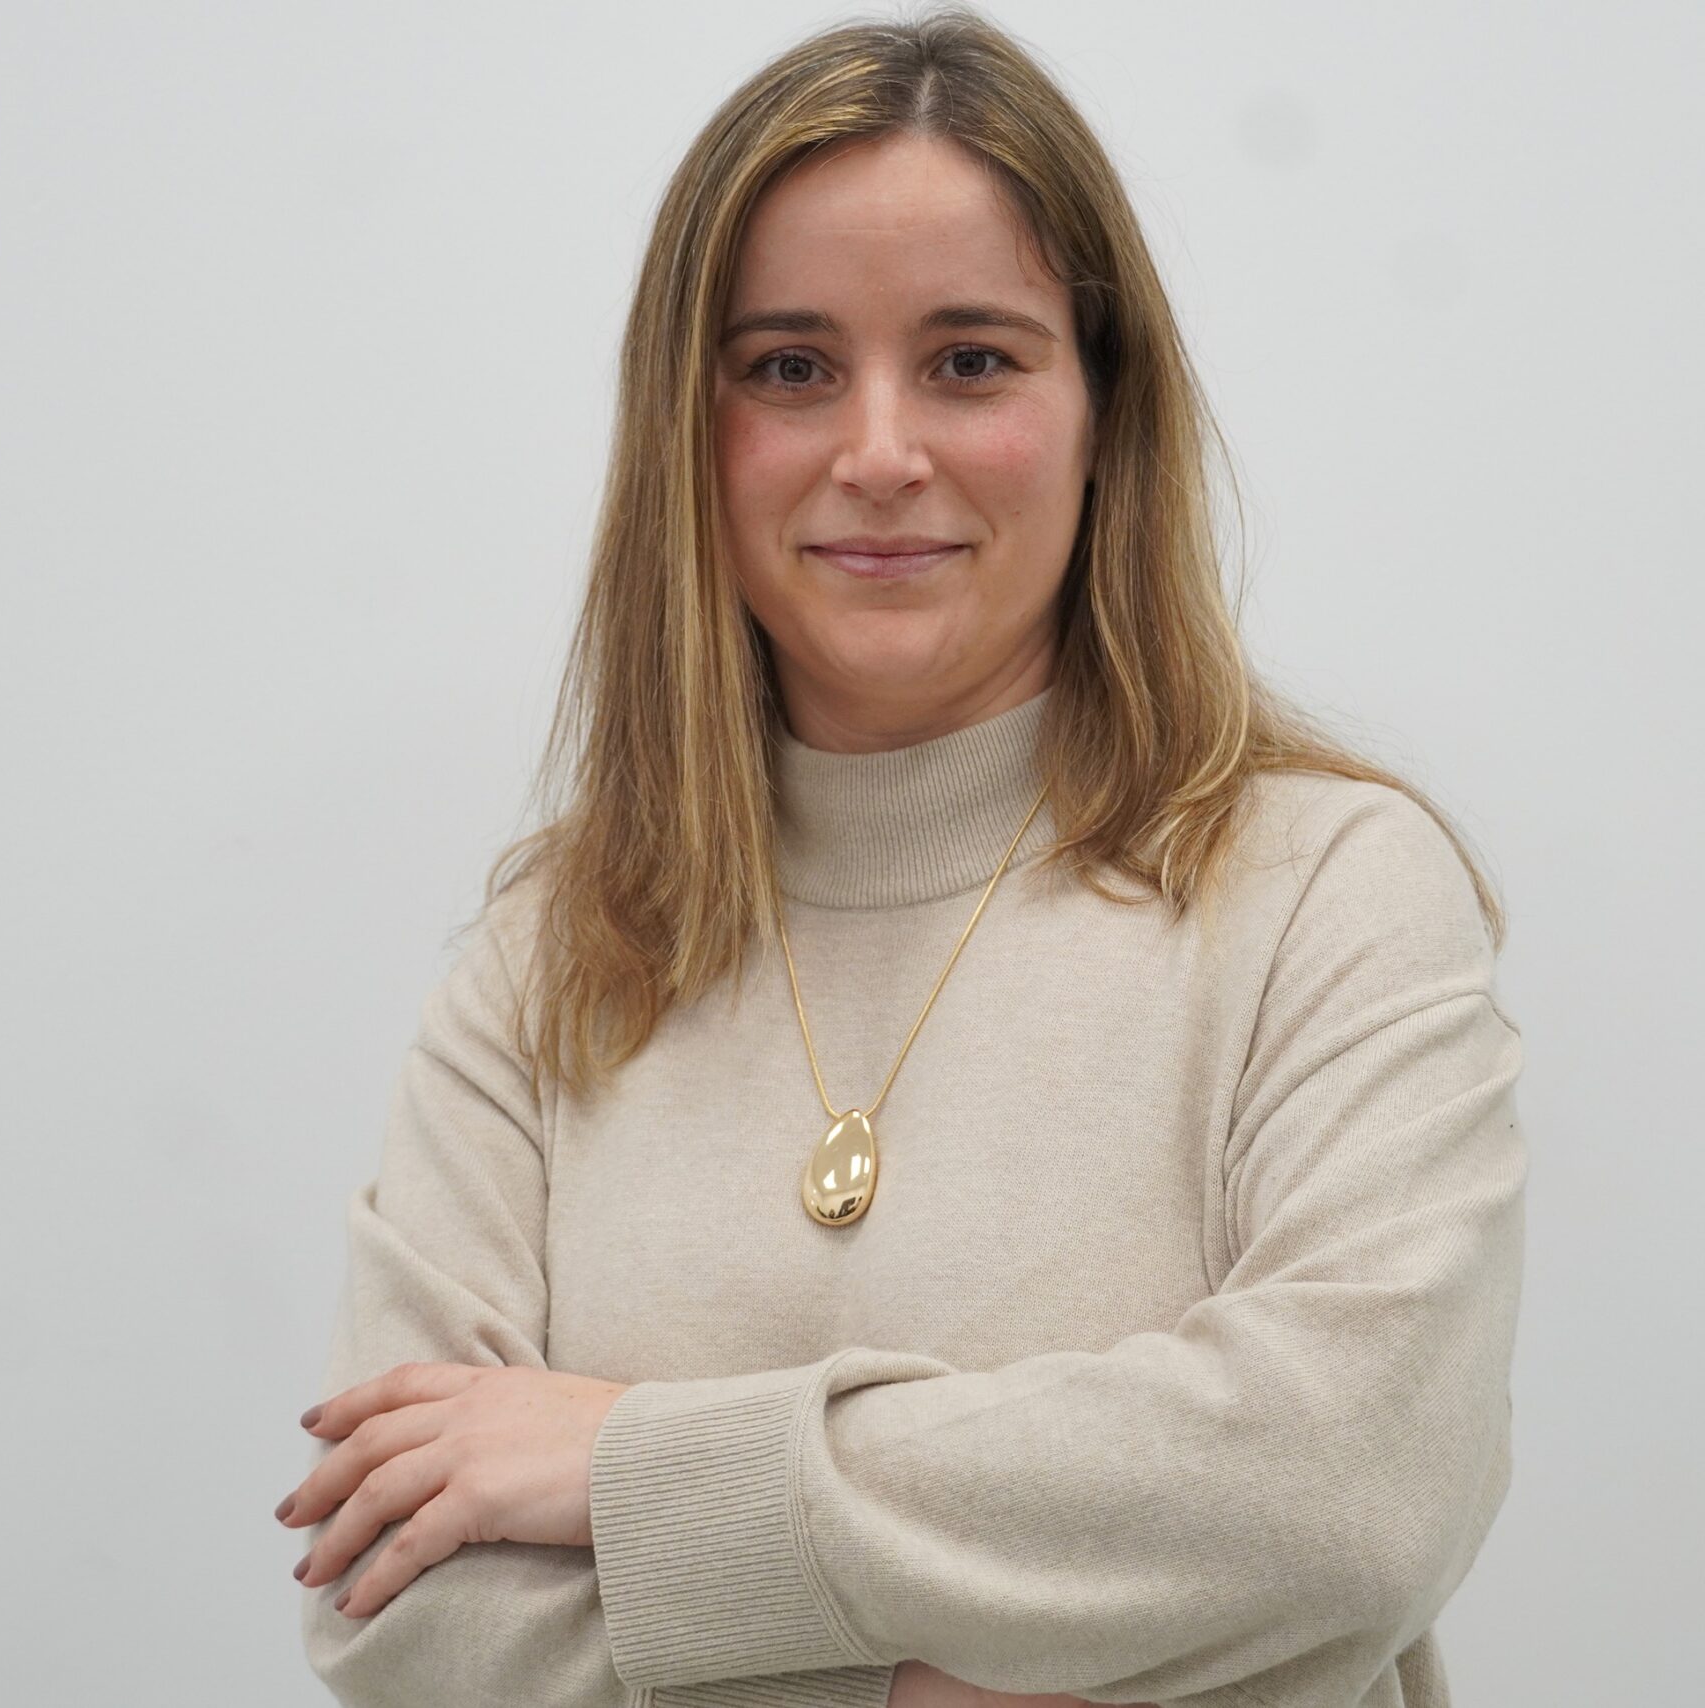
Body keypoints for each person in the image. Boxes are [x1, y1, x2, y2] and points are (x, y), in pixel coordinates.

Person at [274, 7, 1527, 1706]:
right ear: (689, 430)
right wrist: (990, 1672)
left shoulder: (1329, 893)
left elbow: (1353, 1495)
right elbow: (401, 1618)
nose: (879, 454)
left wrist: (627, 1467)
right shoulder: (553, 951)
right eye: (790, 368)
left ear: (1106, 412)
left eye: (971, 361)